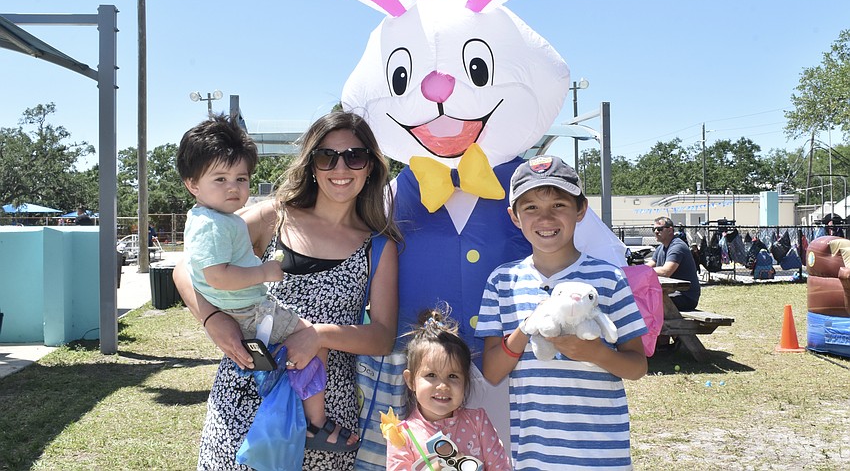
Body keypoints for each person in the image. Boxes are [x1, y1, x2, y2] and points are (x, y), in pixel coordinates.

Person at [172, 111, 401, 471]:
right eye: (327, 156)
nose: (341, 169)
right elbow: (186, 268)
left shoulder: (378, 247)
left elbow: (382, 337)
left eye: (355, 156)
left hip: (324, 418)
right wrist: (213, 319)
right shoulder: (272, 217)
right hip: (246, 396)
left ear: (370, 166)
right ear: (311, 164)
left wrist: (318, 336)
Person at [475, 155, 648, 470]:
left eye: (558, 205)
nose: (545, 218)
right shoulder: (502, 281)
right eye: (531, 208)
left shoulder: (609, 278)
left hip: (601, 455)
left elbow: (637, 367)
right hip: (533, 456)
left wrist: (594, 352)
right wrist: (527, 326)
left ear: (580, 209)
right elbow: (492, 371)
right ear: (514, 216)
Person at [386, 306, 511, 470]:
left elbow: (501, 467)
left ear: (465, 381)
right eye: (431, 375)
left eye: (453, 376)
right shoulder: (402, 435)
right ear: (410, 381)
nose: (443, 386)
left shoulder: (478, 422)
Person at [645, 216, 701, 311]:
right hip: (671, 293)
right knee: (640, 299)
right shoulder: (661, 248)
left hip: (685, 297)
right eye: (653, 229)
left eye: (659, 229)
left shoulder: (677, 246)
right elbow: (648, 266)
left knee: (646, 303)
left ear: (670, 230)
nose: (656, 232)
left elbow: (666, 272)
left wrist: (645, 271)